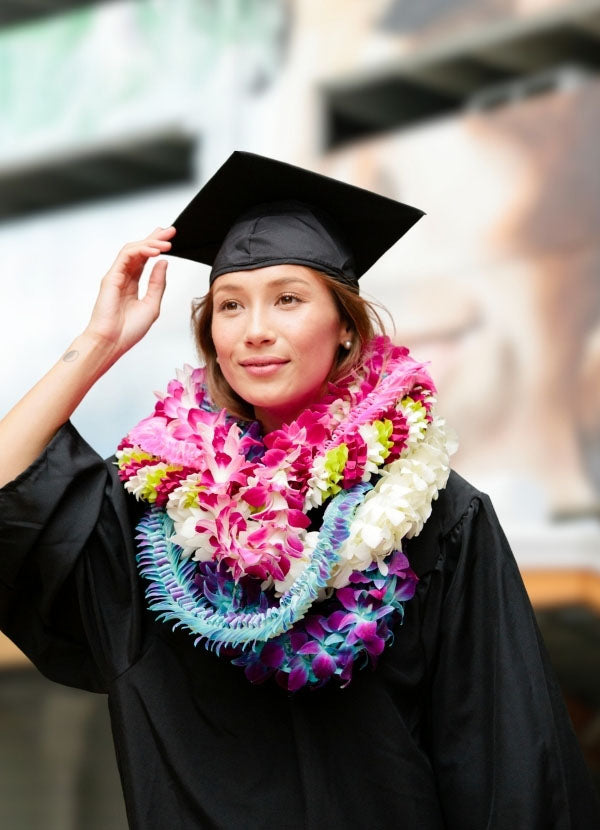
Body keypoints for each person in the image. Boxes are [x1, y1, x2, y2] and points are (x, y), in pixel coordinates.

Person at [0, 152, 598, 830]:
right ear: (211, 336)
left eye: (288, 298)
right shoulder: (153, 514)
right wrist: (99, 340)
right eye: (230, 306)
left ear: (345, 325)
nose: (255, 329)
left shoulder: (436, 516)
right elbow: (10, 492)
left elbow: (507, 758)